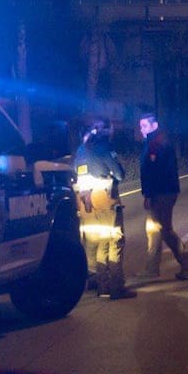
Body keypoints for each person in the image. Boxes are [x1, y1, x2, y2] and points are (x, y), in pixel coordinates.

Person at [73, 120, 136, 300]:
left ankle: (101, 285)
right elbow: (119, 174)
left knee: (97, 242)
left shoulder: (81, 150)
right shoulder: (104, 147)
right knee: (115, 241)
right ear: (106, 132)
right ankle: (116, 288)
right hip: (104, 200)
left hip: (85, 203)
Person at [138, 112, 188, 280]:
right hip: (161, 192)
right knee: (154, 231)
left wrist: (149, 195)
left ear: (154, 126)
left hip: (162, 193)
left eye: (144, 125)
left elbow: (156, 173)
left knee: (164, 230)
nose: (140, 129)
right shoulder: (153, 142)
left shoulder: (157, 143)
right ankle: (151, 269)